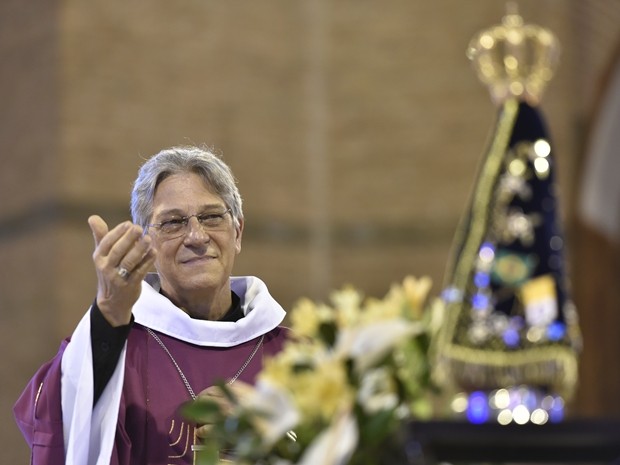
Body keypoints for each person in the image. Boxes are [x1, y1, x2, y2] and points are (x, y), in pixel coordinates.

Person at [14, 145, 289, 465]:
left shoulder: (297, 354)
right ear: (148, 242)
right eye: (173, 223)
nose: (197, 236)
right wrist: (108, 312)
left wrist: (275, 435)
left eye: (212, 217)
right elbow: (55, 419)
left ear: (238, 231)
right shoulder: (112, 349)